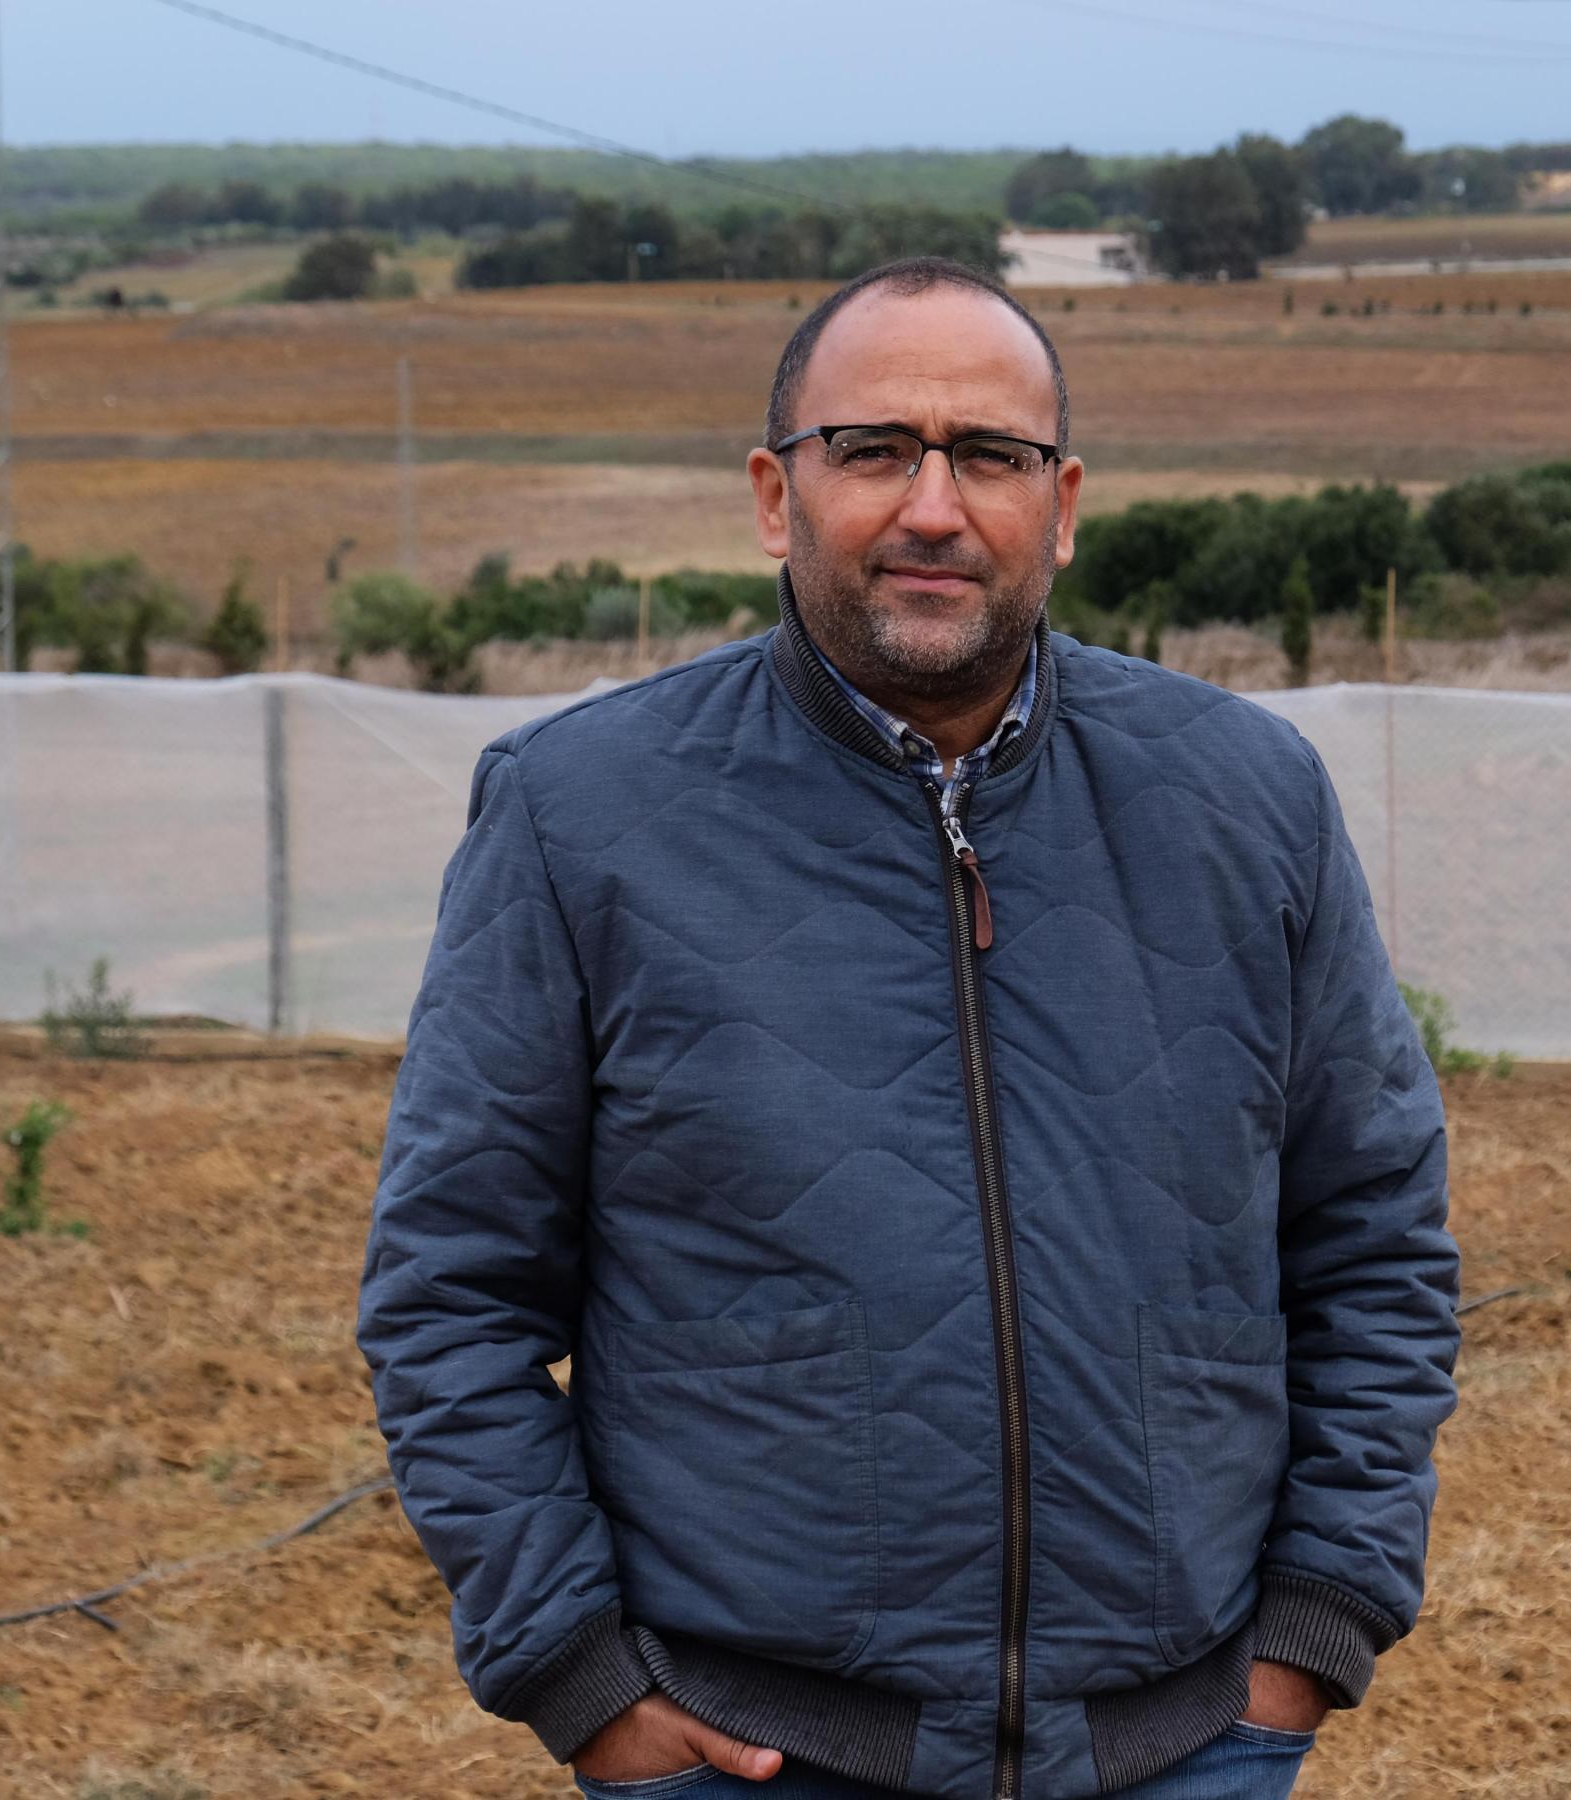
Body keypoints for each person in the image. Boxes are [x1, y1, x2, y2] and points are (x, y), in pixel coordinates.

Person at [355, 256, 1460, 1800]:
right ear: (773, 494)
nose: (933, 507)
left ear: (1060, 506)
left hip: (1185, 1744)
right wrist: (577, 1675)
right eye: (873, 449)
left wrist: (1314, 1630)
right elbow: (449, 1294)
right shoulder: (582, 815)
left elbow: (1375, 1236)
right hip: (749, 1757)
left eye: (989, 457)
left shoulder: (1245, 799)